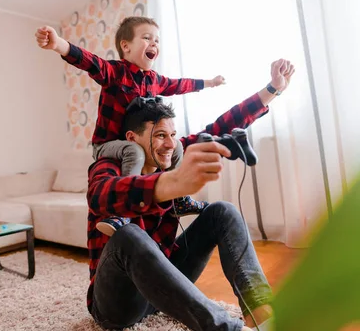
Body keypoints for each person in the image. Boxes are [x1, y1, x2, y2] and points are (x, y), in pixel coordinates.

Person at [86, 58, 295, 331]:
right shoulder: (108, 165)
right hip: (117, 306)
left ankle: (264, 316)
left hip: (161, 287)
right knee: (128, 235)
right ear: (132, 139)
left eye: (173, 134)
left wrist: (272, 89)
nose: (170, 144)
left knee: (223, 212)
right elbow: (101, 195)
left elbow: (221, 127)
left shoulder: (174, 153)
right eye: (160, 135)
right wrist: (171, 183)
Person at [35, 17, 225, 236]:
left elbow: (179, 85)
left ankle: (179, 202)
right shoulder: (115, 73)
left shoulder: (154, 80)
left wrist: (209, 83)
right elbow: (89, 61)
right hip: (108, 145)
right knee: (133, 150)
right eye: (146, 38)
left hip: (135, 140)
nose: (154, 44)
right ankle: (123, 211)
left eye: (157, 40)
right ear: (126, 46)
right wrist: (58, 44)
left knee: (178, 147)